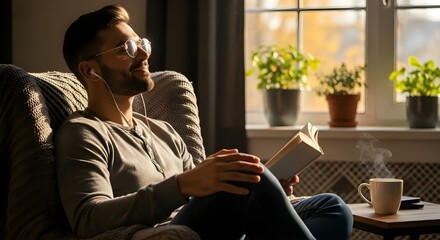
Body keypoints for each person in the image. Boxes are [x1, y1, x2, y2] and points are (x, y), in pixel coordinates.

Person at [57, 4, 353, 240]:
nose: (144, 53)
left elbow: (209, 200)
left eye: (141, 43)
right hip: (168, 233)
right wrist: (183, 184)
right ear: (90, 70)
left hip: (218, 227)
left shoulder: (163, 131)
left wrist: (274, 192)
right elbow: (87, 218)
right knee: (241, 177)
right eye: (127, 49)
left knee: (333, 207)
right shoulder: (83, 132)